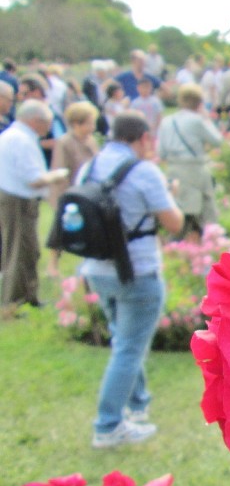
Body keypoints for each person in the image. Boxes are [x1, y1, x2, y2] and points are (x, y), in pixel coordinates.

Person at [78, 111, 183, 447]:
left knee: (122, 341)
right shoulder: (144, 172)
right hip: (138, 273)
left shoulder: (90, 166)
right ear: (143, 138)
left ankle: (137, 408)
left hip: (97, 271)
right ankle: (108, 426)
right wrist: (171, 193)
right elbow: (174, 223)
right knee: (128, 350)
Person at [0, 100, 68, 309]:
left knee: (28, 249)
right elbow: (34, 179)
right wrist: (57, 175)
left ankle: (28, 295)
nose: (49, 128)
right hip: (18, 200)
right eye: (47, 123)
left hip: (13, 198)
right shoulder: (21, 140)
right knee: (19, 250)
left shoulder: (13, 136)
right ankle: (13, 302)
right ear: (35, 121)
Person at [157, 84, 222, 240]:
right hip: (195, 169)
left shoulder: (167, 121)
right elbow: (217, 140)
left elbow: (161, 152)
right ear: (199, 102)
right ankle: (208, 242)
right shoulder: (197, 120)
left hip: (174, 170)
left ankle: (181, 244)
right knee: (205, 211)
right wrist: (206, 118)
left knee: (181, 210)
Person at [48, 101, 100, 275]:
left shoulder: (91, 141)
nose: (93, 127)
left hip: (87, 193)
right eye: (89, 123)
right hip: (68, 192)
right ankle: (52, 264)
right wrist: (66, 196)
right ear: (77, 123)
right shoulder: (64, 142)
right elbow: (60, 170)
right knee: (60, 227)